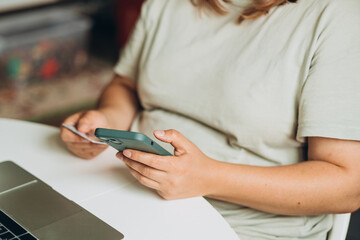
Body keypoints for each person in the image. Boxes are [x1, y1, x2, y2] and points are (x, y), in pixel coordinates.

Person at [61, 0, 360, 239]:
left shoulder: (337, 17)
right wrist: (106, 119)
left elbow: (347, 185)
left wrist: (208, 177)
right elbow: (125, 85)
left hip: (241, 226)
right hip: (126, 192)